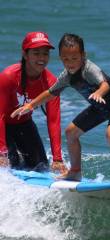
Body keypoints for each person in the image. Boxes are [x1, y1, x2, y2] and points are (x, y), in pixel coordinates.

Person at [11, 33, 110, 182]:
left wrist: (99, 93)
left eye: (75, 58)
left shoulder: (89, 69)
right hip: (99, 107)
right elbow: (50, 93)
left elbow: (104, 84)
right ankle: (75, 171)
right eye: (66, 59)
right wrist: (30, 105)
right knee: (70, 133)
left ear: (83, 55)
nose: (70, 63)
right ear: (60, 57)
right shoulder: (66, 76)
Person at [0, 31, 67, 173]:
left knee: (41, 167)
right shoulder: (8, 76)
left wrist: (57, 159)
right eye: (36, 53)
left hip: (23, 123)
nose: (42, 58)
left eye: (45, 53)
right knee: (9, 164)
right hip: (2, 124)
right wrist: (2, 152)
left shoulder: (51, 83)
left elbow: (54, 120)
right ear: (25, 55)